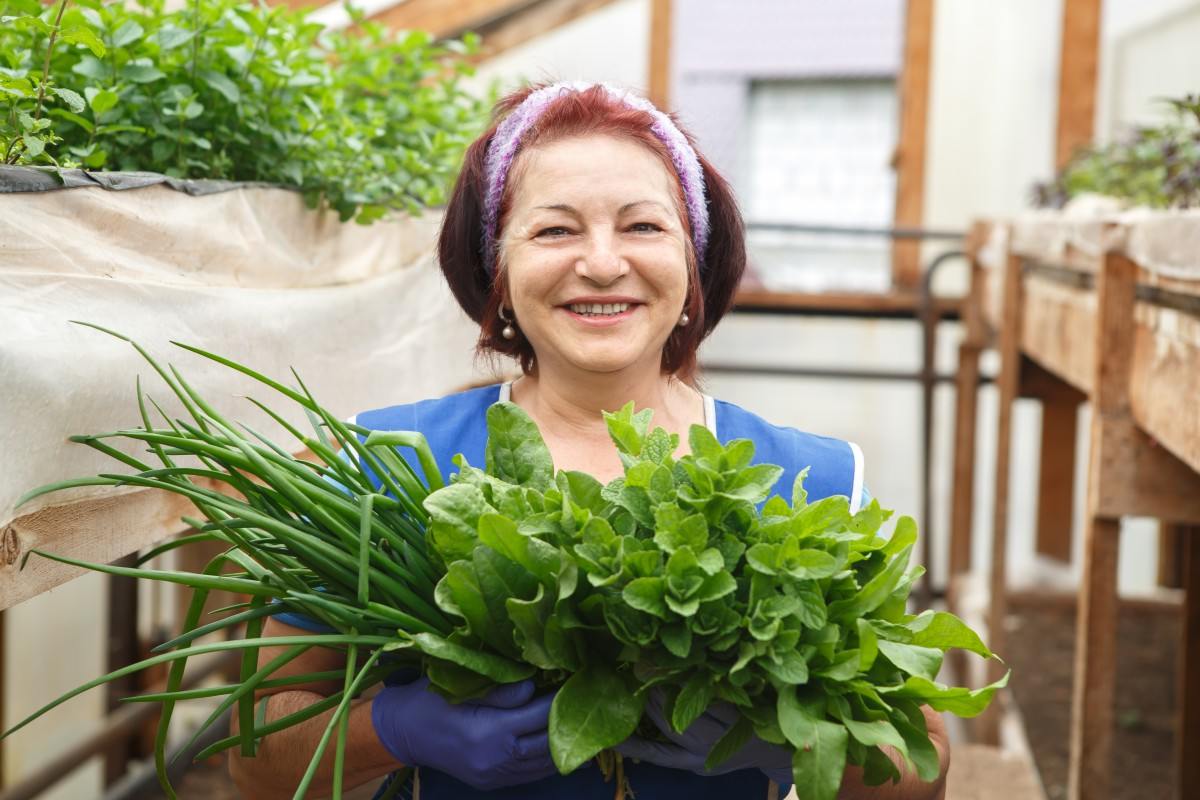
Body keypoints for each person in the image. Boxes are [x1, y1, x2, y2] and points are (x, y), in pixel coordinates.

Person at [228, 81, 949, 800]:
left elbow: (923, 769)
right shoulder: (388, 462)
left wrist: (797, 743)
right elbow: (254, 756)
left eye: (642, 227)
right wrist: (394, 729)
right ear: (499, 275)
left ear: (692, 268)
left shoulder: (802, 480)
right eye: (554, 230)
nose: (602, 264)